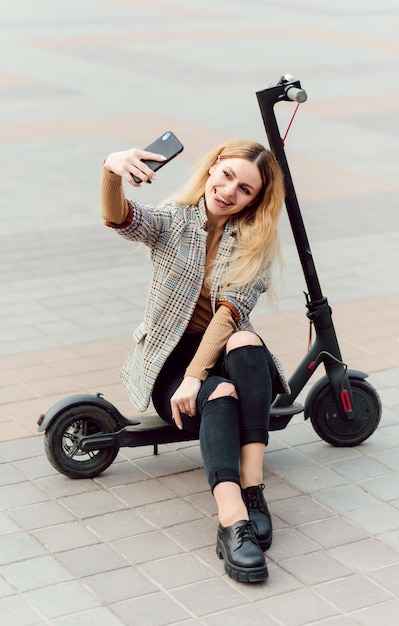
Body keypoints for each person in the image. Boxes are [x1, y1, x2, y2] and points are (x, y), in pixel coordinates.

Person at [100, 138, 289, 583]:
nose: (229, 191)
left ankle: (253, 487)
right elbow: (120, 216)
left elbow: (228, 315)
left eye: (245, 189)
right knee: (219, 394)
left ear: (255, 200)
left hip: (213, 352)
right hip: (167, 362)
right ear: (213, 167)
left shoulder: (253, 241)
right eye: (227, 175)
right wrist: (110, 169)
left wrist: (196, 374)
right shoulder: (173, 221)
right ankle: (232, 521)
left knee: (245, 340)